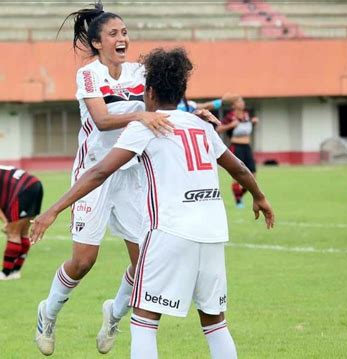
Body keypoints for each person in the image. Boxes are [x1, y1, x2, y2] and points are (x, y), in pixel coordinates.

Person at [30, 47, 275, 359]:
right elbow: (238, 168)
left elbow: (102, 170)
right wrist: (260, 196)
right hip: (214, 233)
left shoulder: (146, 126)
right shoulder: (201, 126)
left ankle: (113, 314)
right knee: (215, 323)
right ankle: (64, 313)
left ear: (148, 92)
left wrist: (52, 209)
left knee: (144, 322)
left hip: (170, 232)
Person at [34, 2, 173, 356]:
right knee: (83, 261)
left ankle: (113, 315)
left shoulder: (140, 72)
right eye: (113, 34)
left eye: (124, 32)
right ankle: (47, 313)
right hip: (93, 173)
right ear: (97, 43)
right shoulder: (89, 75)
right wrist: (143, 115)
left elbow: (166, 107)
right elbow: (101, 120)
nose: (121, 38)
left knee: (144, 262)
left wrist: (196, 111)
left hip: (130, 172)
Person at [216, 97, 259, 208]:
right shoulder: (230, 116)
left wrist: (254, 123)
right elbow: (219, 129)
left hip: (247, 146)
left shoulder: (246, 115)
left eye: (243, 101)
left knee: (253, 175)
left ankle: (239, 195)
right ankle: (238, 200)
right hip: (236, 146)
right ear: (233, 105)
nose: (242, 103)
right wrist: (231, 125)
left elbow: (246, 128)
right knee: (237, 175)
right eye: (239, 101)